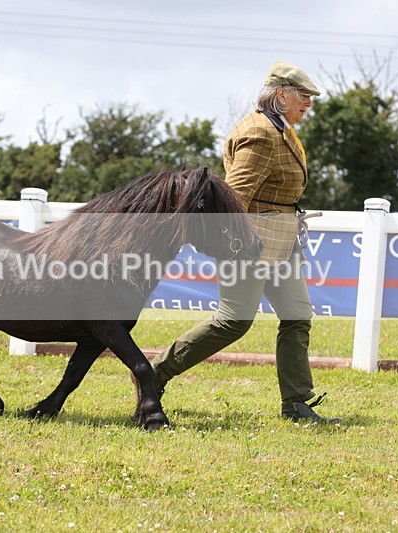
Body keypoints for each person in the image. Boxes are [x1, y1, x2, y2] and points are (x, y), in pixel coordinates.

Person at [135, 60, 340, 423]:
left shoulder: (282, 128)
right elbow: (236, 196)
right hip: (251, 244)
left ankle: (296, 404)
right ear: (282, 95)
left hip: (281, 241)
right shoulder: (260, 133)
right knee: (234, 321)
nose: (308, 103)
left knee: (297, 315)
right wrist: (236, 247)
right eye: (304, 97)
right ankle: (153, 373)